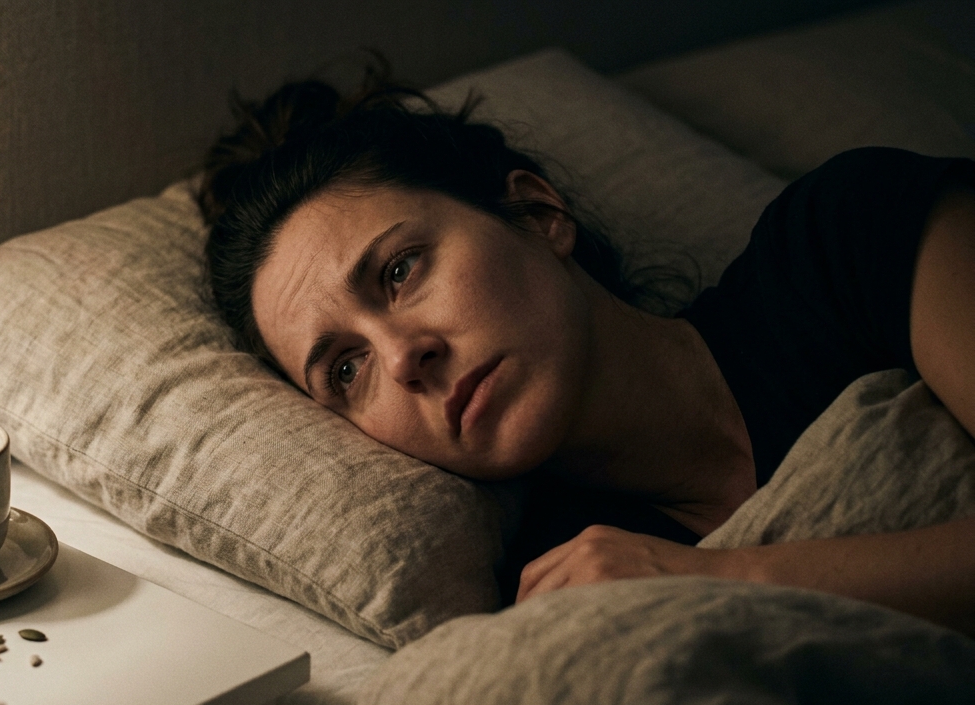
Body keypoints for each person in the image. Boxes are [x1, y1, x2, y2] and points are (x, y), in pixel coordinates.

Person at [197, 63, 975, 635]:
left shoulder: (848, 240)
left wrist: (720, 579)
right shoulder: (562, 585)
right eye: (346, 368)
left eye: (400, 271)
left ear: (538, 214)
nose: (403, 359)